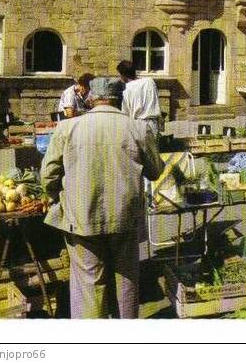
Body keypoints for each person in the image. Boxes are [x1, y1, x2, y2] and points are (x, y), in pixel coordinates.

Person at [40, 76, 164, 319]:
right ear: (120, 99)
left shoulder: (67, 127)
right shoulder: (139, 128)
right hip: (124, 219)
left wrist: (56, 193)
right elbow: (155, 171)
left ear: (90, 98)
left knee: (88, 285)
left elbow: (47, 175)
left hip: (81, 219)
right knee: (126, 282)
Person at [117, 59, 162, 137]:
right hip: (153, 124)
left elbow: (125, 114)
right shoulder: (150, 81)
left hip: (137, 126)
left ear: (123, 75)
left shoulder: (126, 90)